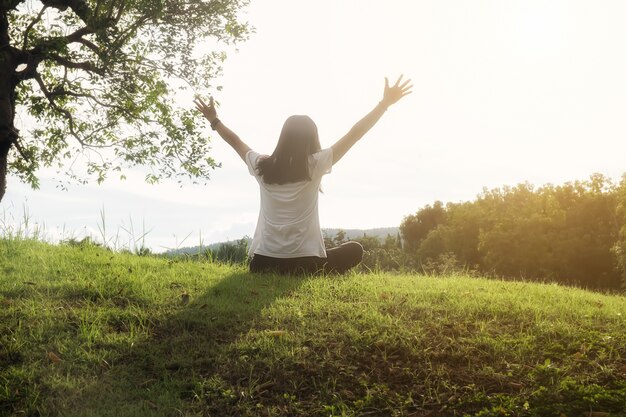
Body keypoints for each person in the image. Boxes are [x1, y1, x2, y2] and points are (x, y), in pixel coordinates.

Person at [194, 75, 412, 274]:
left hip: (261, 264)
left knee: (330, 251)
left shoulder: (262, 166)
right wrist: (384, 104)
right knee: (354, 249)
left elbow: (236, 142)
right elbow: (355, 134)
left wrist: (214, 120)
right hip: (305, 264)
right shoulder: (315, 164)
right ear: (312, 139)